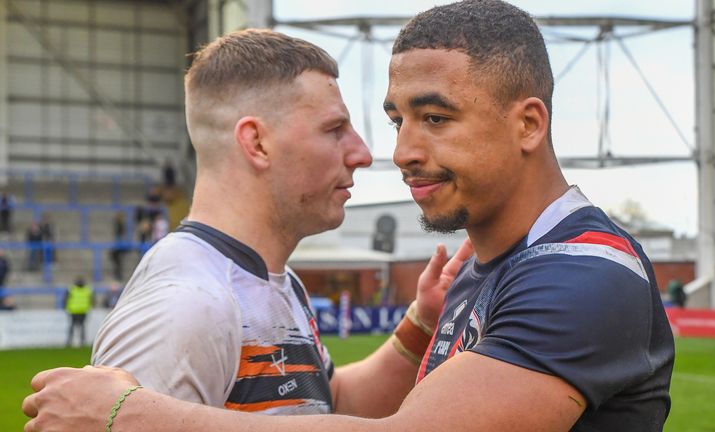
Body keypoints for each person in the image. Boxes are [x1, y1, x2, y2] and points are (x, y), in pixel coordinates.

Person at [22, 2, 674, 431]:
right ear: (254, 143)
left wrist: (130, 414)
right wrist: (419, 327)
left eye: (435, 118)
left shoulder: (582, 272)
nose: (393, 153)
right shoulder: (185, 297)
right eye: (396, 120)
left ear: (529, 123)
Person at [27, 26, 469, 420]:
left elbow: (332, 405)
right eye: (334, 129)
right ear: (256, 142)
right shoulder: (188, 306)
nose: (363, 154)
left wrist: (423, 321)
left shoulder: (273, 281)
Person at [64, 276, 93, 347]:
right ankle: (82, 341)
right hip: (83, 311)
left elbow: (65, 299)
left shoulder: (71, 289)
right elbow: (92, 300)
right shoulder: (88, 290)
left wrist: (66, 308)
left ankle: (69, 342)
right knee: (82, 327)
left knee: (72, 327)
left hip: (73, 311)